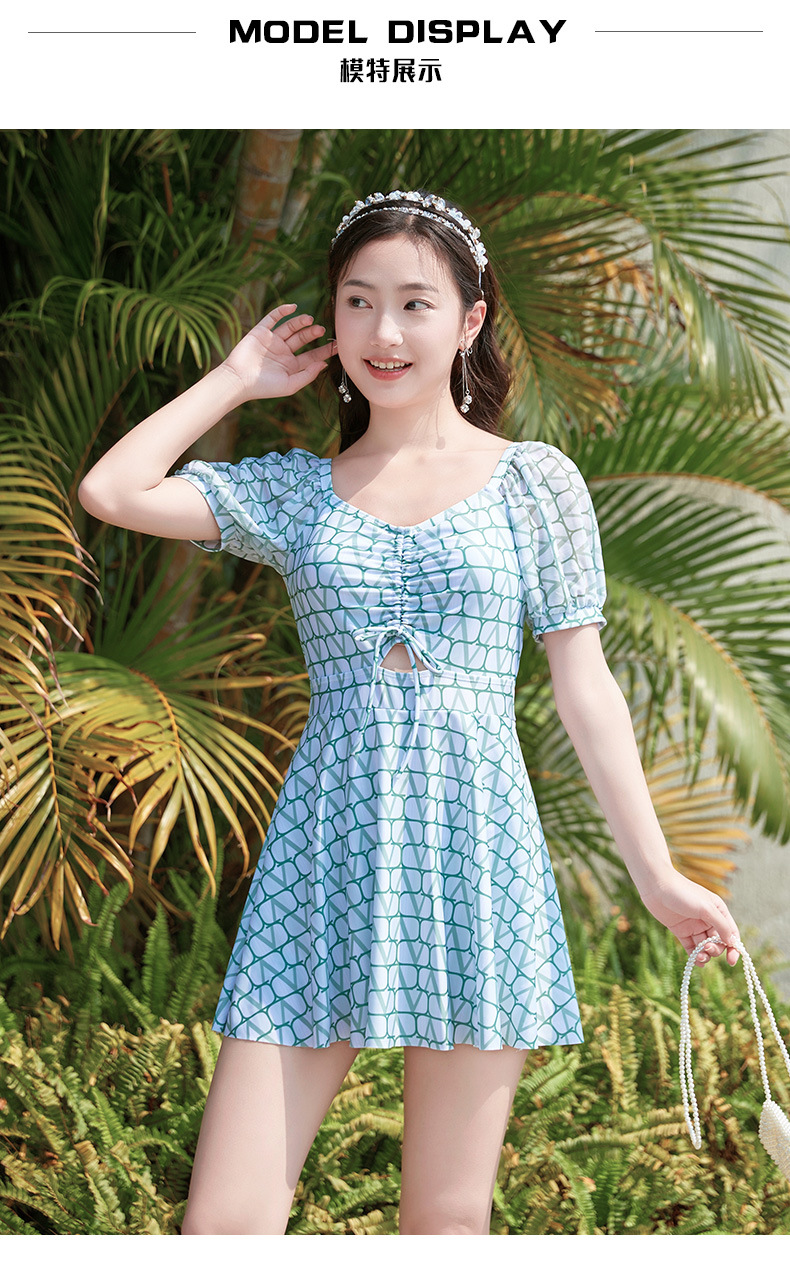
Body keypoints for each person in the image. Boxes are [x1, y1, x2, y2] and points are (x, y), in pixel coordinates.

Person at [78, 188, 742, 1237]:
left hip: (478, 848)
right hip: (321, 854)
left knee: (444, 1223)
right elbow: (113, 491)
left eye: (414, 304)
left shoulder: (534, 484)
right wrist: (238, 377)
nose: (383, 332)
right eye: (358, 301)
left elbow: (586, 688)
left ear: (470, 319)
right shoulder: (294, 493)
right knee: (223, 1229)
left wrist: (656, 877)